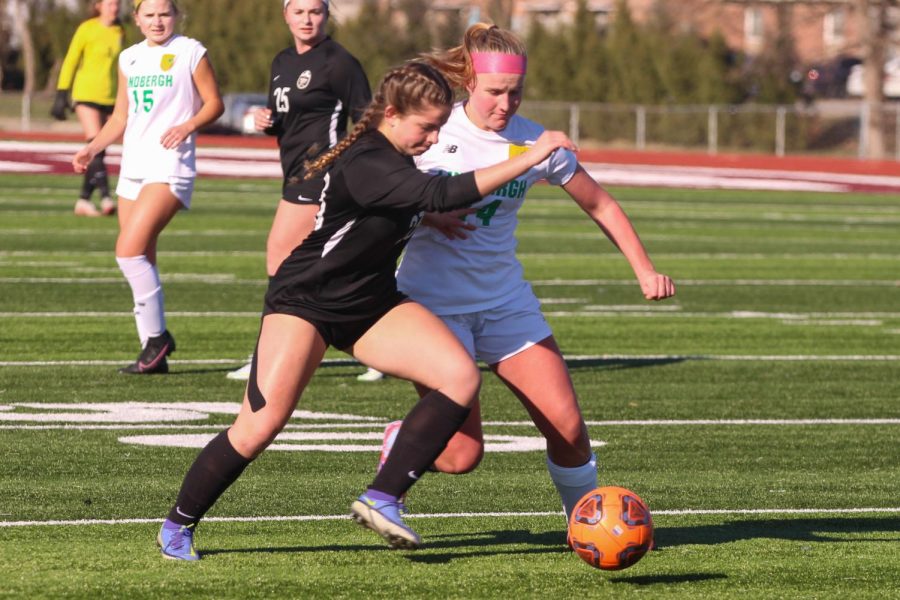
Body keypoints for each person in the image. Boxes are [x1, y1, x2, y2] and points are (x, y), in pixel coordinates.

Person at [155, 61, 578, 560]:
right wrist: (531, 155)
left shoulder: (396, 155)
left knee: (460, 378)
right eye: (426, 127)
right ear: (393, 114)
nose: (433, 137)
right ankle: (178, 525)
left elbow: (418, 201)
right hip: (305, 303)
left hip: (372, 304)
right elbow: (437, 190)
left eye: (440, 127)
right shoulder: (369, 160)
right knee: (258, 427)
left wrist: (432, 217)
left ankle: (382, 497)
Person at [383, 23, 676, 527]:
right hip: (432, 306)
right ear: (469, 82)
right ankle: (397, 445)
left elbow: (601, 204)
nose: (506, 103)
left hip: (504, 303)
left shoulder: (536, 143)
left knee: (568, 428)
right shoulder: (433, 133)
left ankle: (585, 525)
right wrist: (428, 213)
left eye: (515, 92)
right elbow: (374, 194)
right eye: (496, 91)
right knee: (460, 456)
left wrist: (644, 268)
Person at [71, 0, 224, 374]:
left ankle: (158, 340)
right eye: (149, 15)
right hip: (133, 168)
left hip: (170, 166)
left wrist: (187, 126)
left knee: (127, 252)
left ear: (176, 15)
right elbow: (121, 116)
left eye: (165, 14)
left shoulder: (190, 51)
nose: (158, 21)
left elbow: (215, 103)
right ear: (136, 19)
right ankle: (151, 351)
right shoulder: (129, 58)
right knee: (143, 256)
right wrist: (93, 146)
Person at [226, 0, 372, 382]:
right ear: (285, 15)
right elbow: (287, 119)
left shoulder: (339, 62)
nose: (308, 19)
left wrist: (347, 167)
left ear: (326, 15)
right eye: (300, 11)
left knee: (280, 261)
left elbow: (368, 120)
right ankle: (375, 346)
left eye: (316, 11)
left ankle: (267, 357)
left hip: (320, 176)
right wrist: (266, 122)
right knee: (327, 268)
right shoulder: (281, 62)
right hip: (294, 174)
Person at [52, 0, 125, 217]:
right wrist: (61, 92)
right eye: (111, 4)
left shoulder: (121, 30)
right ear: (98, 6)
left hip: (111, 96)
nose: (115, 8)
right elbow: (71, 60)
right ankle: (105, 197)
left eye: (118, 4)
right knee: (95, 145)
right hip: (86, 94)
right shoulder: (87, 29)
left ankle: (83, 200)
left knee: (100, 149)